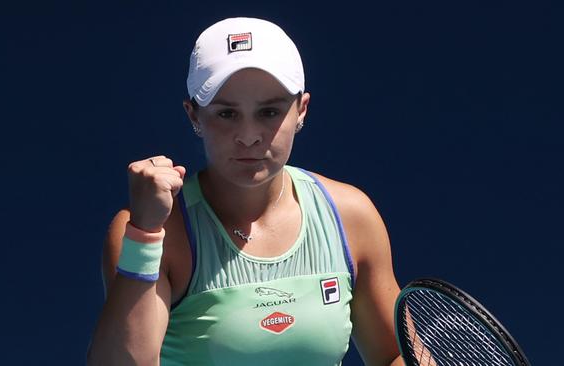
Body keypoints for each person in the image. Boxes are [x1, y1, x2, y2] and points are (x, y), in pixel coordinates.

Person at [87, 17, 404, 366]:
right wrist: (145, 234)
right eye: (226, 113)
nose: (249, 135)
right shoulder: (153, 231)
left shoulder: (351, 215)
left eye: (269, 111)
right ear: (193, 115)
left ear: (302, 110)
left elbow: (394, 356)